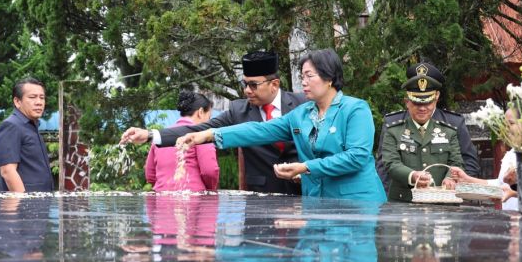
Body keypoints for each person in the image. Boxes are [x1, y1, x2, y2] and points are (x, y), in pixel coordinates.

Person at [177, 49, 386, 202]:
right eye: (302, 76)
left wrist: (305, 167)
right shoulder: (302, 114)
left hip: (358, 204)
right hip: (317, 203)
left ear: (329, 78)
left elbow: (356, 157)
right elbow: (259, 130)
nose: (303, 82)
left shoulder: (355, 109)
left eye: (309, 76)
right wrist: (209, 135)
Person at [120, 50, 306, 194]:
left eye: (253, 85)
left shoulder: (303, 106)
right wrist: (150, 134)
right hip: (261, 201)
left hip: (305, 195)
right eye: (244, 84)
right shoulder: (238, 110)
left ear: (274, 84)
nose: (247, 91)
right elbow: (199, 130)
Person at [376, 62, 480, 186]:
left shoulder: (453, 123)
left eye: (427, 102)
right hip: (404, 199)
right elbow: (384, 166)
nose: (422, 108)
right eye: (417, 102)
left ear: (436, 97)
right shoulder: (393, 125)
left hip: (445, 198)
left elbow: (467, 163)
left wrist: (455, 188)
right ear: (407, 101)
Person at [145, 90, 219, 191]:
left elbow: (150, 175)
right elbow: (209, 171)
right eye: (209, 117)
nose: (209, 122)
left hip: (162, 200)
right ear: (201, 112)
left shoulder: (163, 136)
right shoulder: (201, 135)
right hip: (194, 201)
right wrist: (210, 191)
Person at [0, 78, 54, 192]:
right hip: (24, 206)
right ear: (17, 102)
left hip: (39, 204)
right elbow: (8, 171)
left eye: (42, 97)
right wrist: (23, 202)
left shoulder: (32, 126)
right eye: (32, 97)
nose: (39, 102)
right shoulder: (11, 126)